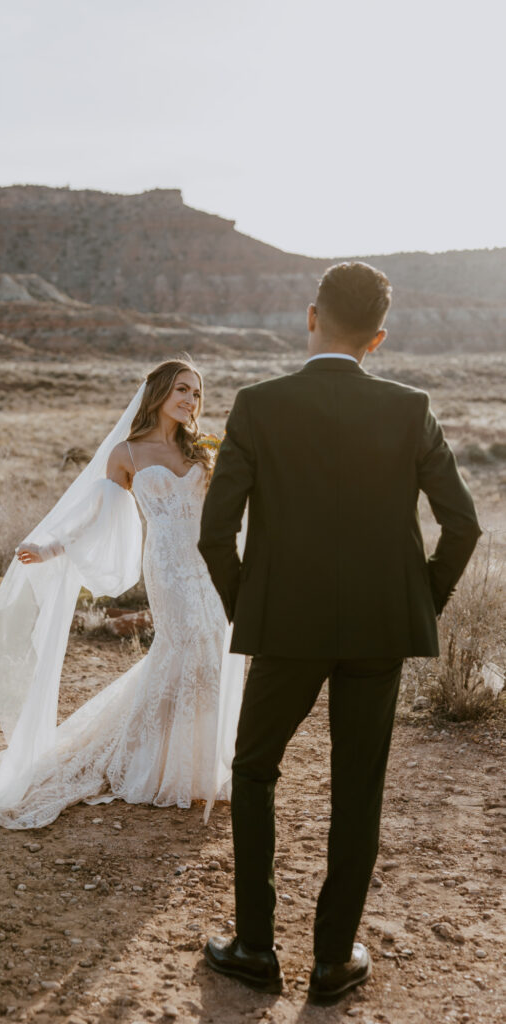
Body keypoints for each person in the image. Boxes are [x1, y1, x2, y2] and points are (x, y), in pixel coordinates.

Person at [198, 262, 481, 1003]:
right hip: (378, 632)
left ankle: (254, 948)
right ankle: (330, 963)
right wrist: (418, 600)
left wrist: (248, 609)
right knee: (359, 788)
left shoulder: (257, 406)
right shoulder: (409, 407)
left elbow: (213, 533)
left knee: (253, 772)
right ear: (378, 338)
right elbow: (463, 524)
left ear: (310, 316)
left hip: (283, 628)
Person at [0, 359, 245, 828]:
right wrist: (51, 546)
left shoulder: (203, 449)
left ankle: (198, 767)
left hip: (208, 564)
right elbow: (96, 518)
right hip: (169, 569)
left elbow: (230, 506)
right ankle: (152, 766)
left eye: (196, 393)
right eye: (181, 389)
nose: (190, 400)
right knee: (185, 646)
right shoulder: (127, 453)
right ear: (157, 393)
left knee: (213, 647)